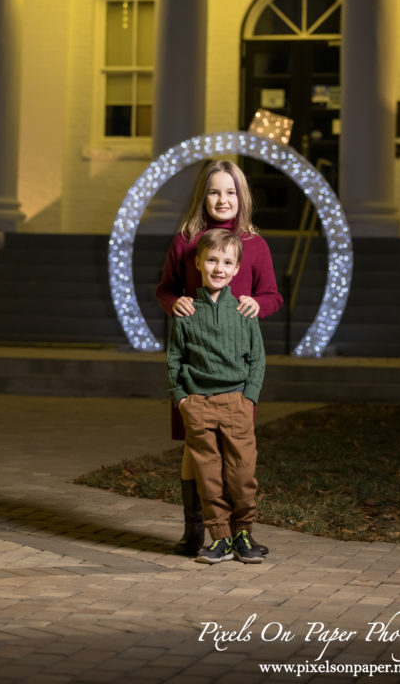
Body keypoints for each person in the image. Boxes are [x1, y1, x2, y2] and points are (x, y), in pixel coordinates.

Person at [156, 159, 282, 556]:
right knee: (196, 453)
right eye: (214, 191)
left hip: (234, 373)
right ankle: (197, 530)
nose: (222, 199)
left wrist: (256, 306)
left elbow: (273, 296)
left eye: (230, 192)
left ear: (241, 197)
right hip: (196, 368)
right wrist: (175, 303)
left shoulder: (255, 245)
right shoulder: (186, 240)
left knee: (236, 457)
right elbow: (165, 289)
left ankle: (239, 531)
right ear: (203, 196)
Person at [166, 228, 267, 564]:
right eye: (211, 260)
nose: (218, 267)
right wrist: (183, 399)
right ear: (198, 263)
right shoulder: (186, 313)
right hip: (199, 406)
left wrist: (249, 397)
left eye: (227, 262)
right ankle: (220, 538)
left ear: (237, 269)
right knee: (208, 476)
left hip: (237, 401)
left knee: (241, 473)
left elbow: (257, 358)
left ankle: (243, 533)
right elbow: (174, 361)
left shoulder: (243, 310)